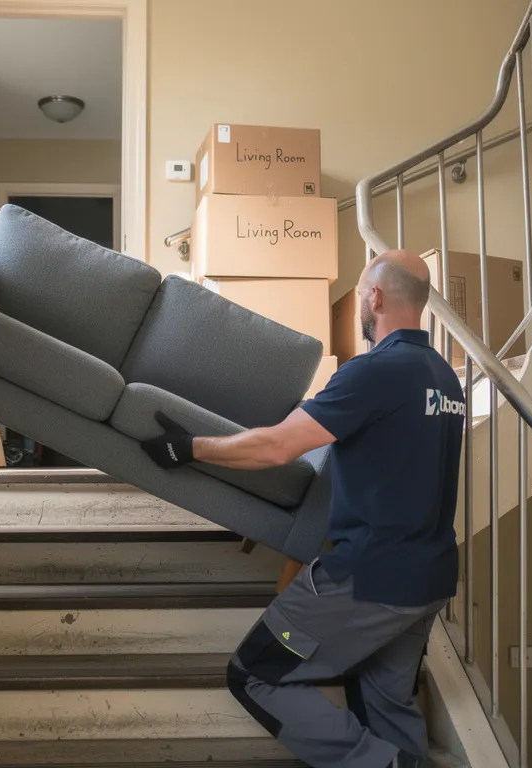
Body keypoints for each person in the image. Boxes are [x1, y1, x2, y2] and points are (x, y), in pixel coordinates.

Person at [140, 250, 465, 768]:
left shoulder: (373, 372)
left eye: (360, 296)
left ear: (375, 297)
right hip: (430, 578)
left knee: (253, 674)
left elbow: (276, 448)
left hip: (370, 578)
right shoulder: (445, 378)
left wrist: (190, 448)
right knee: (382, 699)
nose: (360, 305)